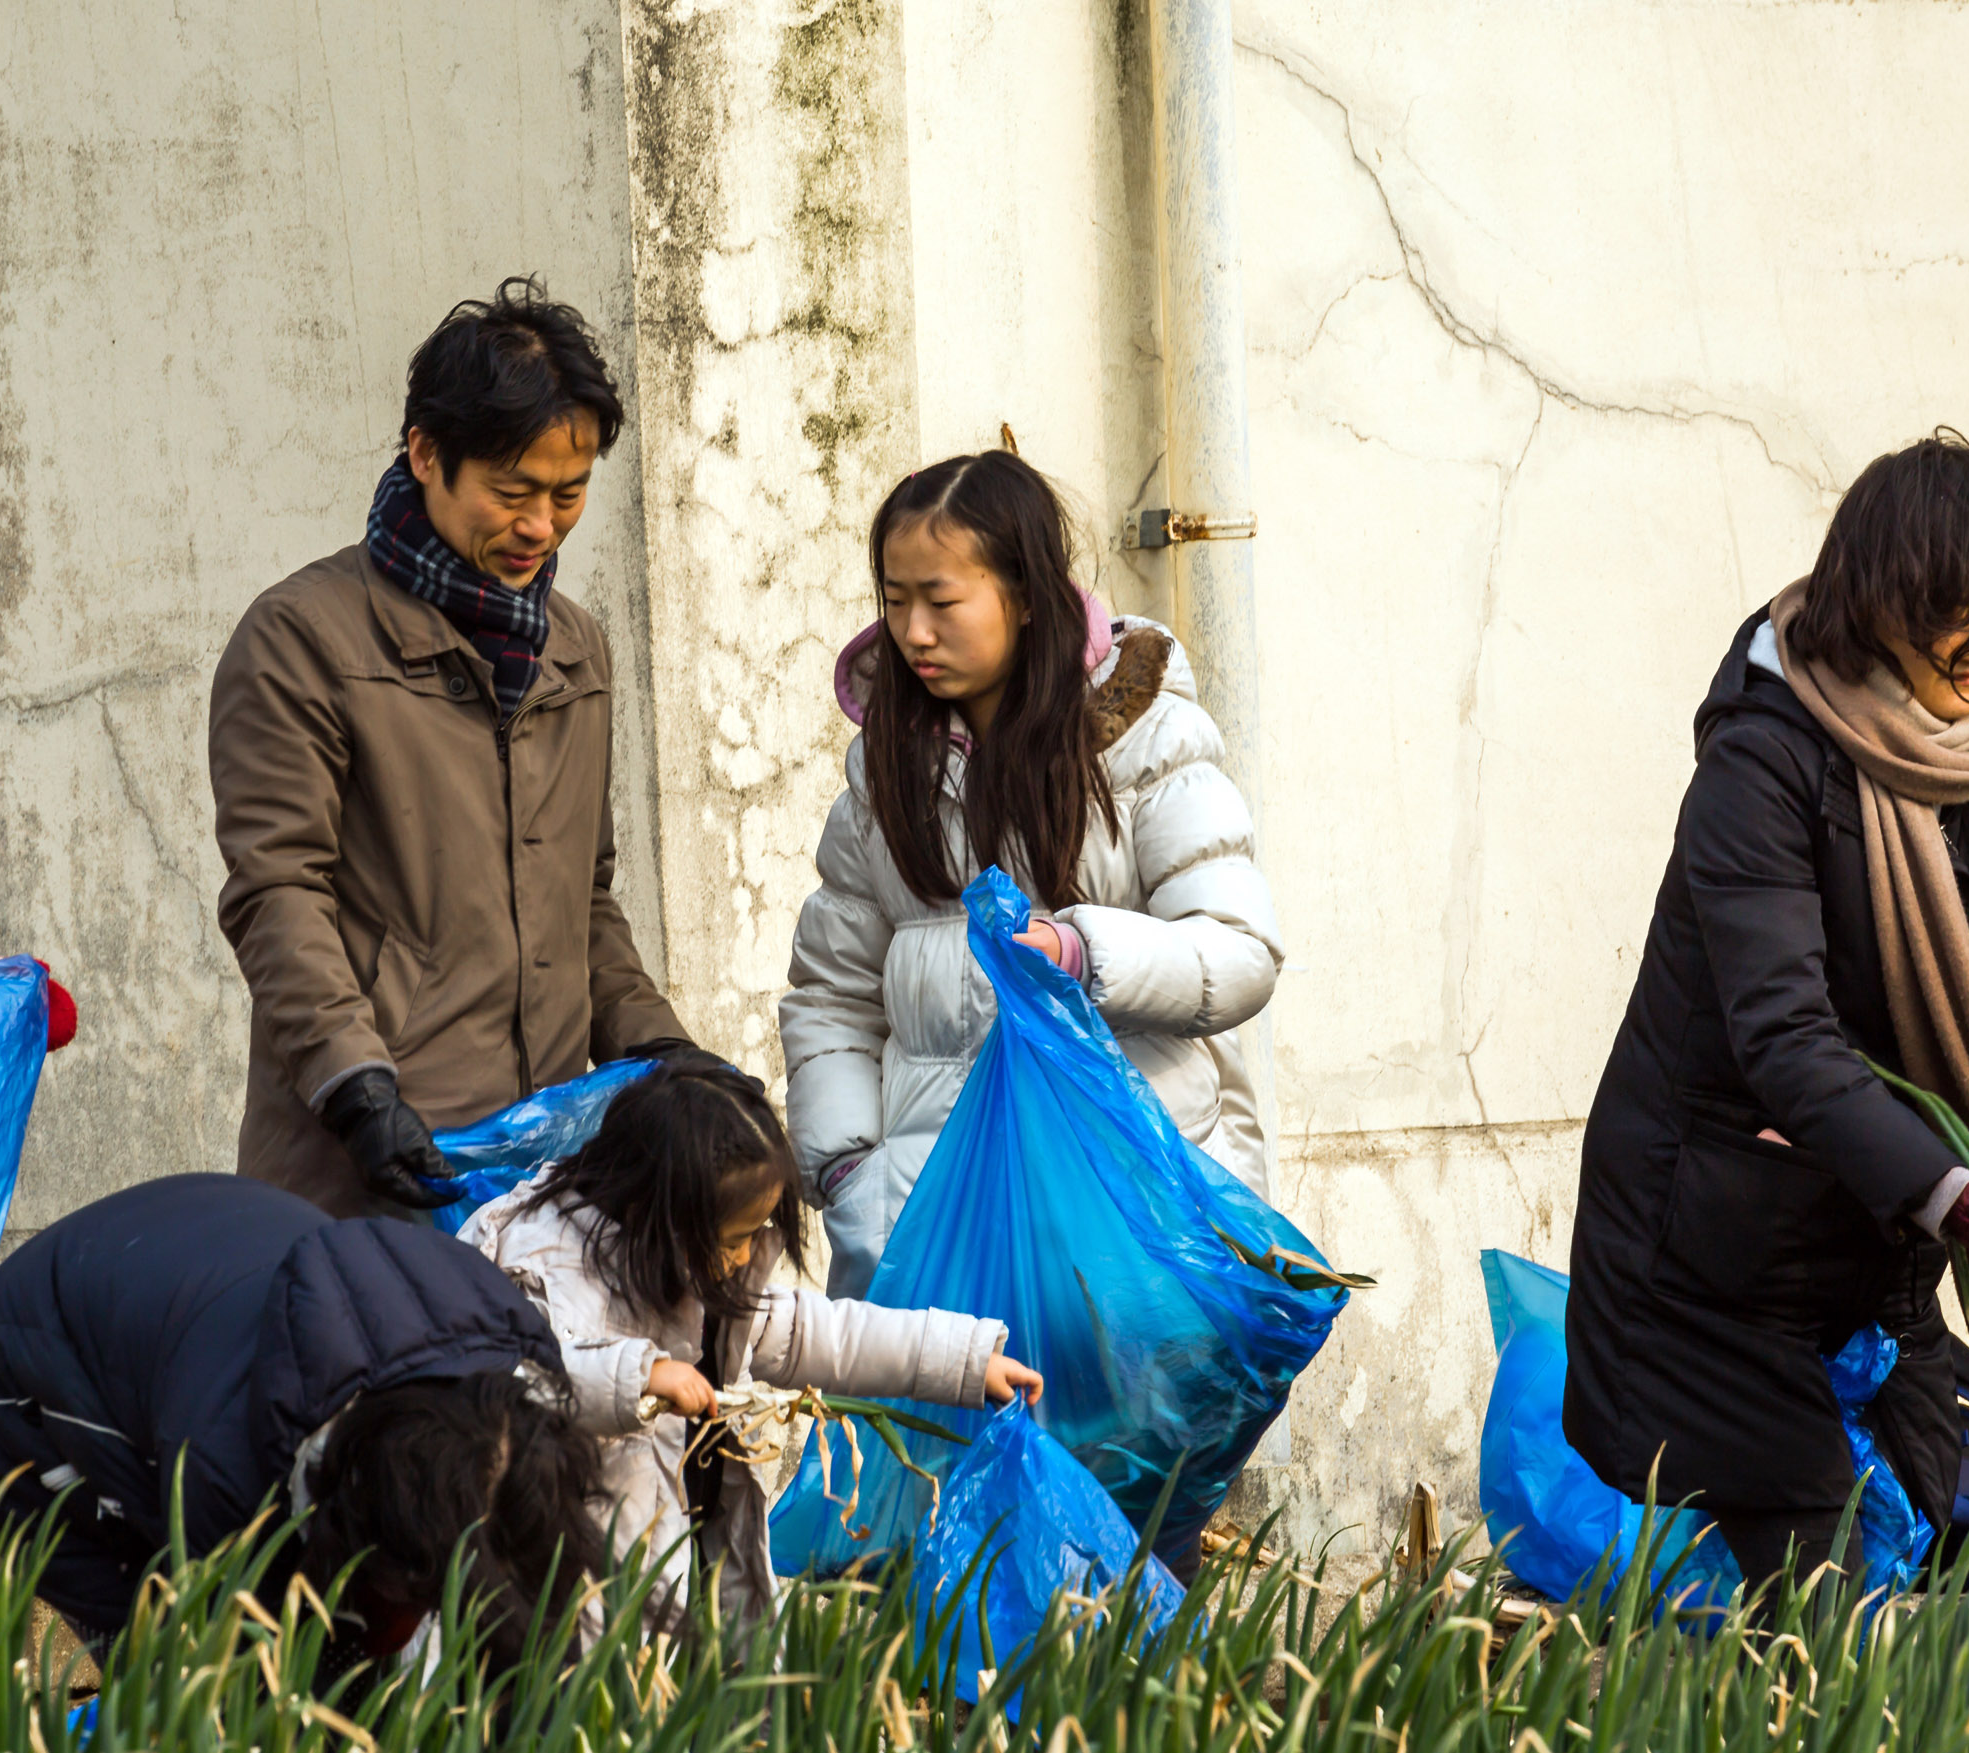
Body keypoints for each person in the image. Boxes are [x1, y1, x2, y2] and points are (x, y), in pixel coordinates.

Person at [1565, 431, 1969, 1591]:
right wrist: (1962, 1198)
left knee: (1931, 1528)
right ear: (1882, 603)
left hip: (1868, 1250)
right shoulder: (1766, 754)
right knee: (1819, 1589)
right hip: (1706, 1254)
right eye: (1957, 611)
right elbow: (1784, 1037)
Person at [210, 277, 690, 1218]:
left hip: (542, 1176)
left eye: (569, 494)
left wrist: (665, 1053)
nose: (540, 527)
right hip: (368, 1167)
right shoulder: (301, 638)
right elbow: (277, 891)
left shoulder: (576, 647)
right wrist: (359, 1090)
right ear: (425, 454)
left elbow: (582, 900)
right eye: (511, 492)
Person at [779, 450, 1285, 1295]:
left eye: (940, 600)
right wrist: (848, 1177)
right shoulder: (883, 772)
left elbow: (1240, 953)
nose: (913, 632)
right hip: (933, 1233)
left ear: (1023, 594)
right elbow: (832, 995)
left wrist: (1087, 953)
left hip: (1130, 1225)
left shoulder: (1147, 740)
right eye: (895, 601)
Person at [0, 1174, 607, 1675]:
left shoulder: (513, 1381)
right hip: (22, 1388)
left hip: (195, 1281)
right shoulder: (225, 1471)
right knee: (176, 1671)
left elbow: (535, 1617)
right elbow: (252, 1678)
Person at [457, 1054, 1042, 1615]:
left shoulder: (697, 1279)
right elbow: (516, 1378)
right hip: (563, 1587)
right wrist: (640, 1376)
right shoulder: (540, 1266)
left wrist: (965, 1361)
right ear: (662, 1213)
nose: (743, 1259)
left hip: (681, 1563)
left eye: (753, 1233)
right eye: (733, 1238)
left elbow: (822, 1334)